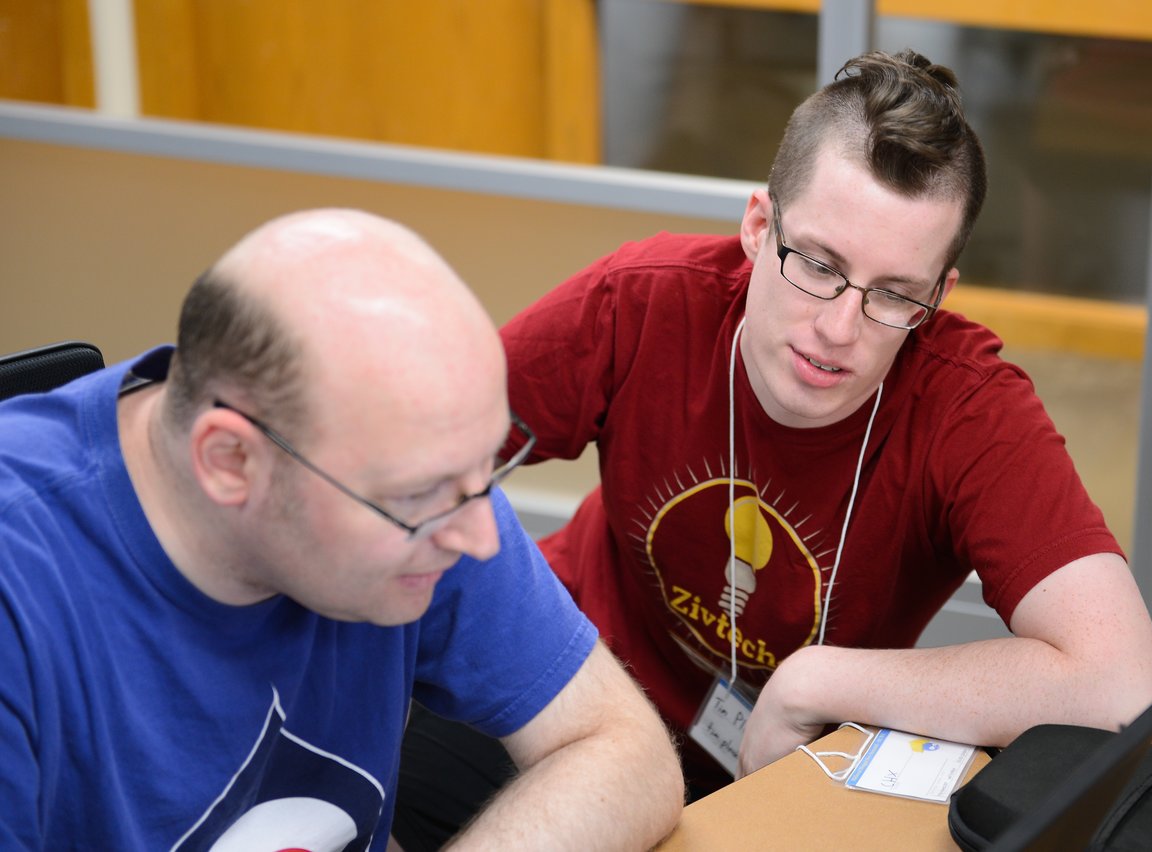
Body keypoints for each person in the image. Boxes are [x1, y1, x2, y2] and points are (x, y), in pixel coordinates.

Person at [396, 46, 1152, 811]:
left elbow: (1123, 683)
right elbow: (405, 458)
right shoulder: (642, 302)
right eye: (819, 264)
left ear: (941, 291)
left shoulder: (966, 404)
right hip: (570, 689)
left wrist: (818, 680)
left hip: (785, 758)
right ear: (759, 226)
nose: (839, 328)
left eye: (896, 294)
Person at [0, 209, 683, 849]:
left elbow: (623, 749)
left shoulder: (431, 481)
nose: (480, 538)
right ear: (231, 460)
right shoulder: (24, 595)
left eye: (485, 469)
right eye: (420, 495)